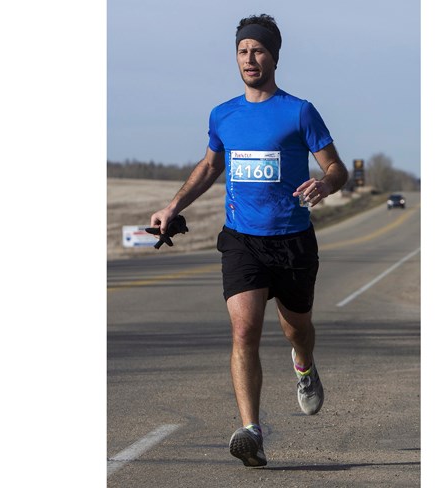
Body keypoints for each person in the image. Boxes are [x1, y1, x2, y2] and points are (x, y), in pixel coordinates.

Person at [149, 13, 349, 467]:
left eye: (257, 50)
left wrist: (325, 183)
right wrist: (172, 206)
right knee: (244, 330)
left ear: (274, 56)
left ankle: (303, 364)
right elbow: (208, 167)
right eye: (242, 51)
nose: (249, 58)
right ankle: (251, 432)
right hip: (243, 240)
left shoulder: (299, 111)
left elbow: (337, 168)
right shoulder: (223, 114)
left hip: (293, 240)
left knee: (297, 329)